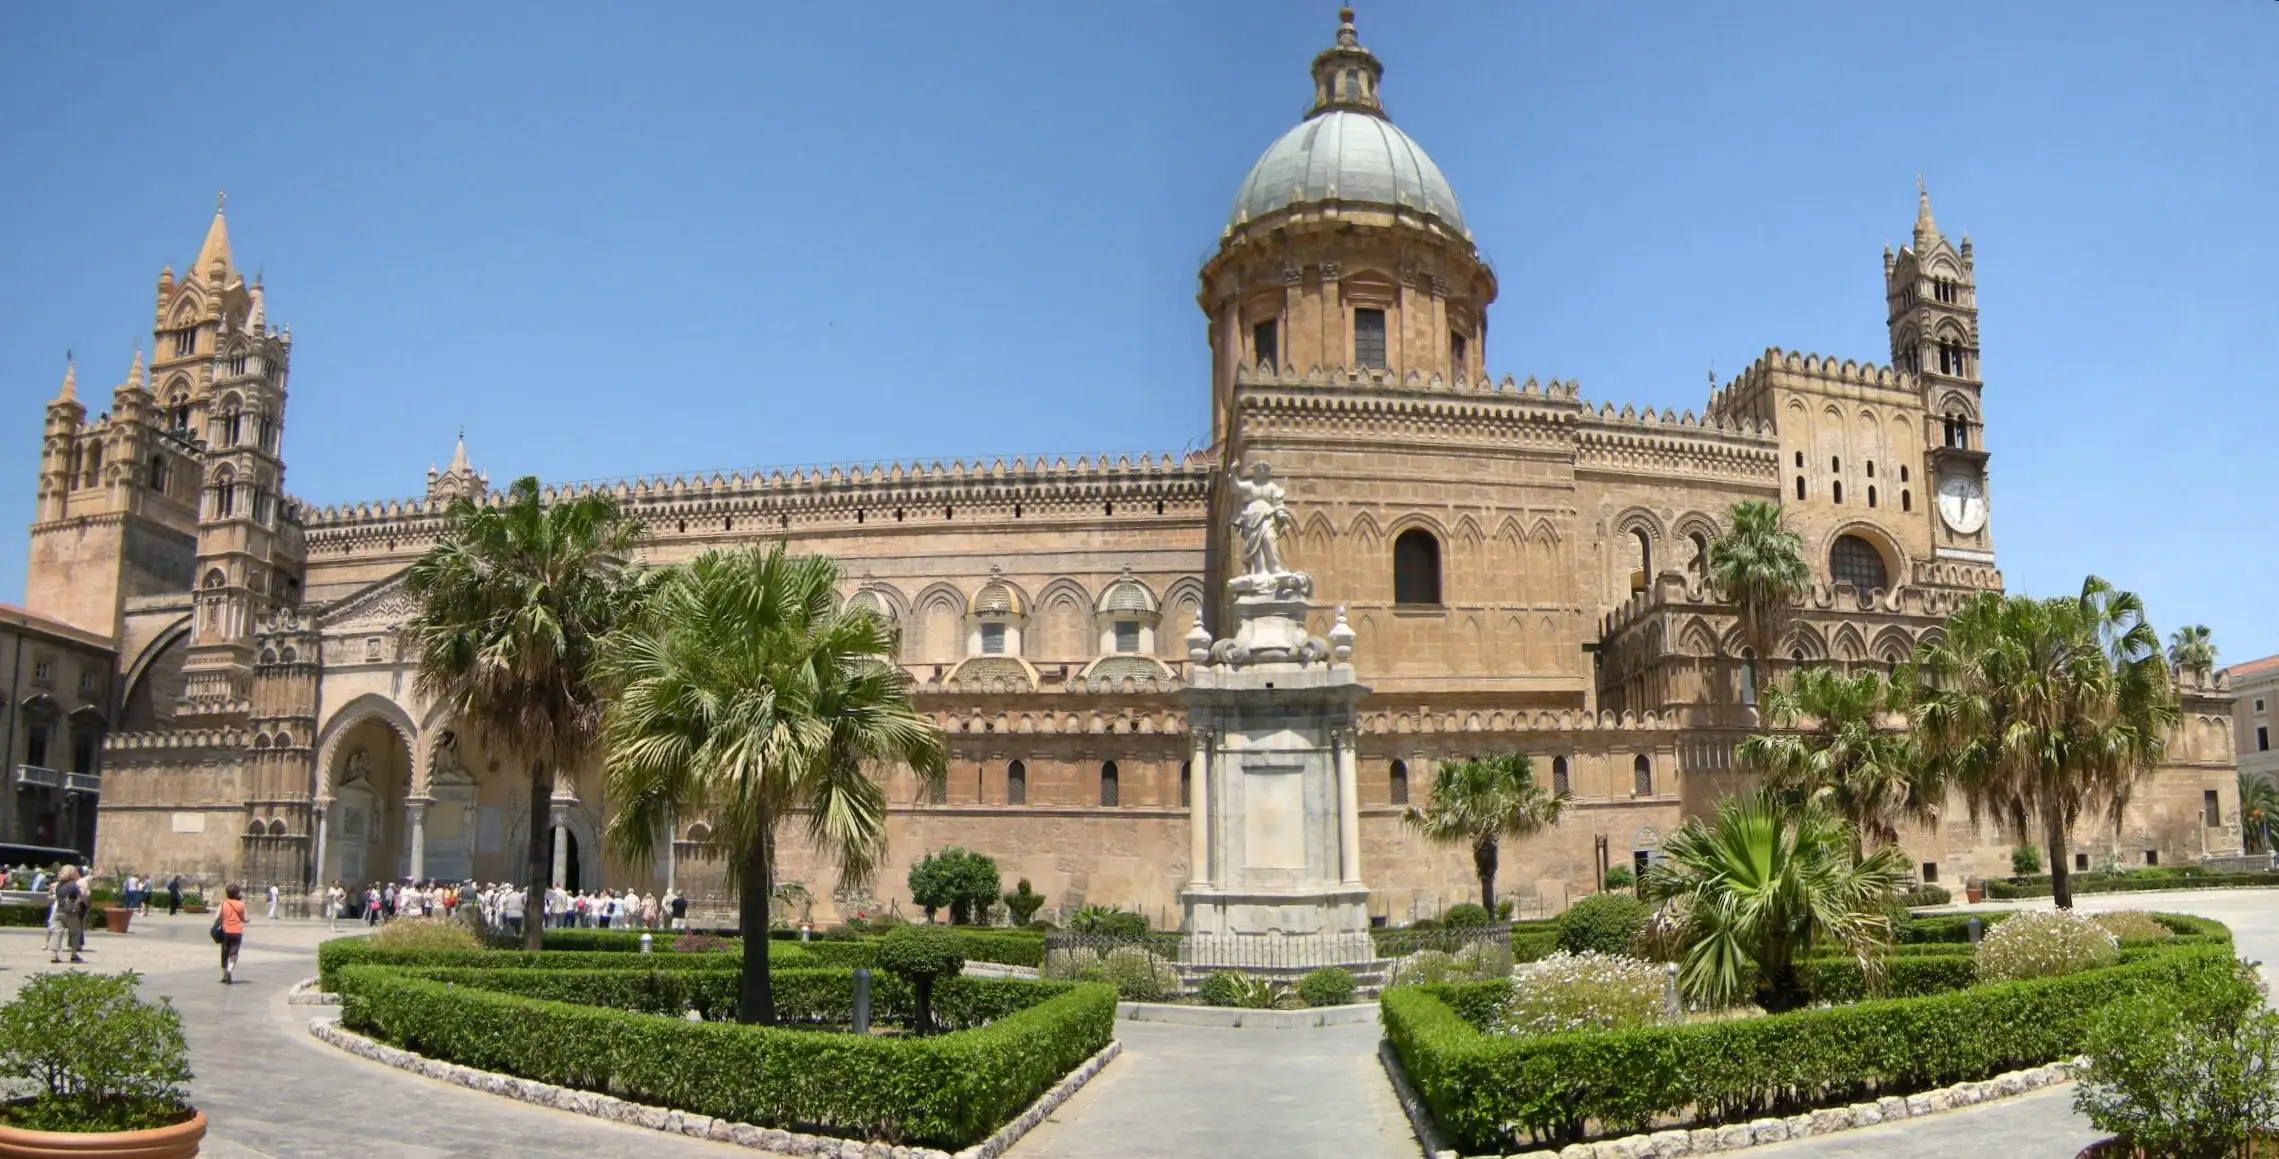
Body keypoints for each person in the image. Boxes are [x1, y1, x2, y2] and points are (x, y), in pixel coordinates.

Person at [47, 865, 87, 964]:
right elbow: (81, 897)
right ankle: (74, 955)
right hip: (70, 912)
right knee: (75, 933)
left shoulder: (59, 884)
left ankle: (54, 955)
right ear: (71, 873)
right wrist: (79, 903)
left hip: (59, 911)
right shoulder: (73, 884)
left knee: (57, 933)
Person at [218, 884, 247, 984]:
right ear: (237, 893)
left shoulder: (223, 903)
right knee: (234, 954)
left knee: (224, 953)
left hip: (225, 931)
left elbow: (217, 916)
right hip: (237, 931)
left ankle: (225, 974)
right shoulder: (241, 904)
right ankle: (229, 971)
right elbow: (244, 918)